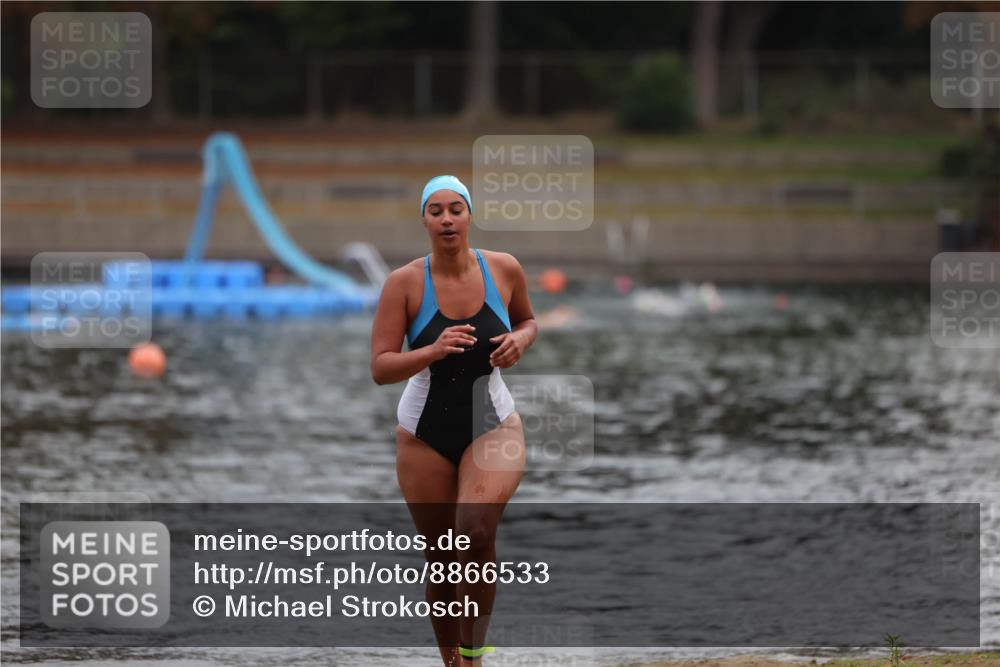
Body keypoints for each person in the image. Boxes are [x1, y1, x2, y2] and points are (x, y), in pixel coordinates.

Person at [370, 175, 538, 666]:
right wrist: (431, 350)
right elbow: (381, 368)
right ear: (424, 220)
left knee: (475, 529)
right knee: (442, 558)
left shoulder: (504, 268)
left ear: (469, 216)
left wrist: (521, 340)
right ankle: (451, 663)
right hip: (423, 434)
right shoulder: (404, 283)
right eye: (436, 210)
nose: (447, 219)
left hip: (493, 423)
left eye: (456, 209)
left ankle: (473, 657)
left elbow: (528, 320)